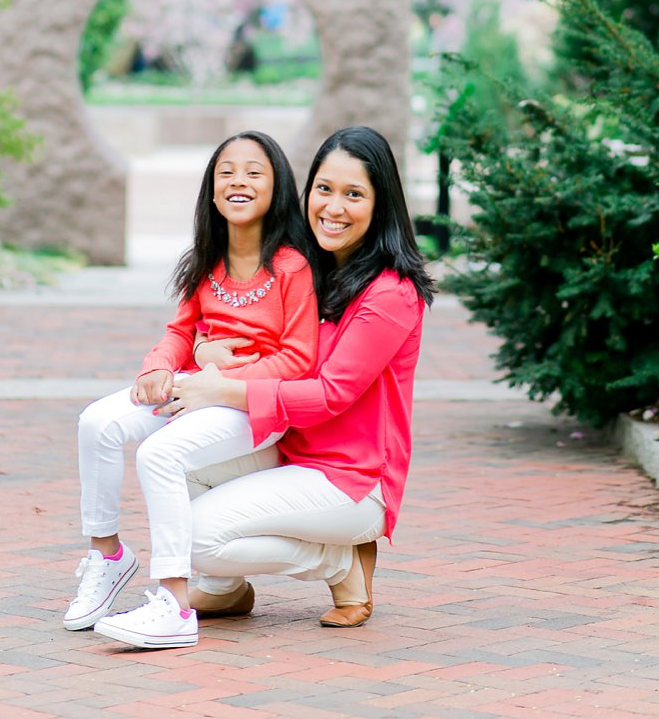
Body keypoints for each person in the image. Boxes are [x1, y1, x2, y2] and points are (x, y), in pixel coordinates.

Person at [161, 125, 433, 631]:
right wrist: (202, 347)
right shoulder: (308, 268)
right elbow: (243, 331)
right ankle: (225, 589)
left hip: (352, 478)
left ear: (381, 204)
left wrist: (223, 389)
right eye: (324, 189)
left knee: (194, 537)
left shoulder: (390, 294)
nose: (333, 207)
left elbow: (332, 393)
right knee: (180, 464)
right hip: (290, 451)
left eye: (354, 194)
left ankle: (340, 563)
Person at [67, 131, 317, 648]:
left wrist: (219, 382)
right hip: (198, 386)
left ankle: (175, 604)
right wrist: (156, 368)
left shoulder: (294, 266)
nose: (238, 181)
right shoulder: (208, 258)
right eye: (226, 171)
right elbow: (182, 330)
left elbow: (297, 360)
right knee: (98, 422)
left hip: (252, 406)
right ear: (211, 188)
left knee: (159, 455)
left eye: (254, 171)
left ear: (278, 188)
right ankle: (107, 556)